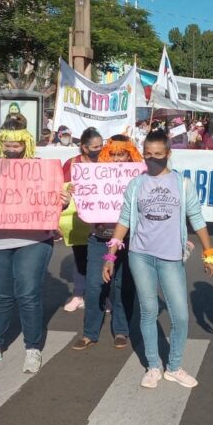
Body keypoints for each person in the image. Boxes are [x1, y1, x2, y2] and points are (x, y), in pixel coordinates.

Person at [103, 129, 213, 389]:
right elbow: (124, 220)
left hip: (170, 258)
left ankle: (174, 367)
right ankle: (153, 366)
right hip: (140, 255)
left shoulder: (182, 184)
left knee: (180, 316)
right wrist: (110, 255)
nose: (152, 160)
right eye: (148, 155)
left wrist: (209, 252)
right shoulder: (136, 184)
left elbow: (196, 219)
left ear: (168, 154)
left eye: (158, 155)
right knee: (149, 311)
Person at [0, 114, 72, 373]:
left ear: (26, 143)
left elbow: (58, 202)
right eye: (7, 144)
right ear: (0, 143)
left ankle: (32, 348)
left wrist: (62, 201)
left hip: (34, 239)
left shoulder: (42, 171)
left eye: (16, 145)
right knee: (3, 295)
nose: (11, 149)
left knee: (28, 294)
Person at [72, 135, 142, 351]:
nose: (117, 158)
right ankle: (90, 332)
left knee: (123, 286)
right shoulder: (95, 175)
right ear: (105, 154)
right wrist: (76, 191)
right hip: (99, 238)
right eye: (113, 154)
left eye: (122, 154)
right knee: (94, 286)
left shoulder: (141, 178)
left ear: (131, 155)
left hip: (129, 241)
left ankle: (121, 330)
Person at [61, 127, 104, 312]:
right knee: (80, 257)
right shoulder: (72, 163)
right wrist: (68, 191)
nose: (99, 149)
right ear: (84, 147)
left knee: (103, 259)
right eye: (95, 146)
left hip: (102, 218)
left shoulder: (107, 162)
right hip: (78, 219)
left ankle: (104, 297)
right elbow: (61, 189)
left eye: (102, 145)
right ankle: (78, 294)